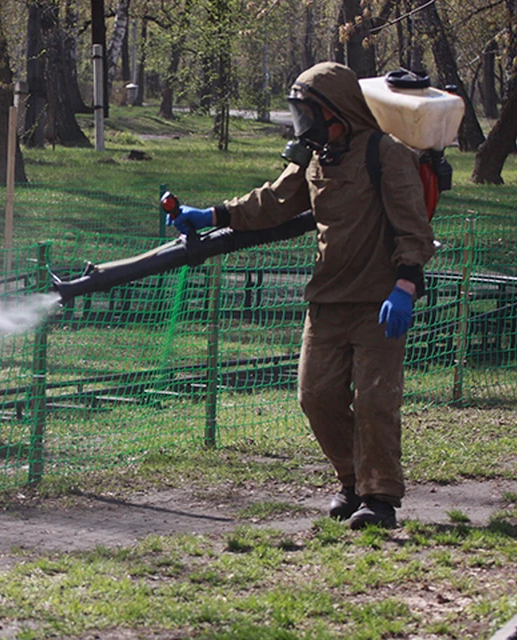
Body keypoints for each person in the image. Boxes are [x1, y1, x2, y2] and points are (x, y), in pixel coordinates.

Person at [169, 62, 435, 530]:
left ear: (339, 112)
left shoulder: (386, 153)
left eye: (311, 113)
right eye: (300, 114)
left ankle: (380, 498)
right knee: (316, 395)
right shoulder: (314, 157)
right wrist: (211, 214)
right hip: (328, 298)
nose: (305, 124)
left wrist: (406, 284)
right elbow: (271, 203)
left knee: (375, 401)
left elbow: (413, 227)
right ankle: (352, 482)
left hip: (379, 299)